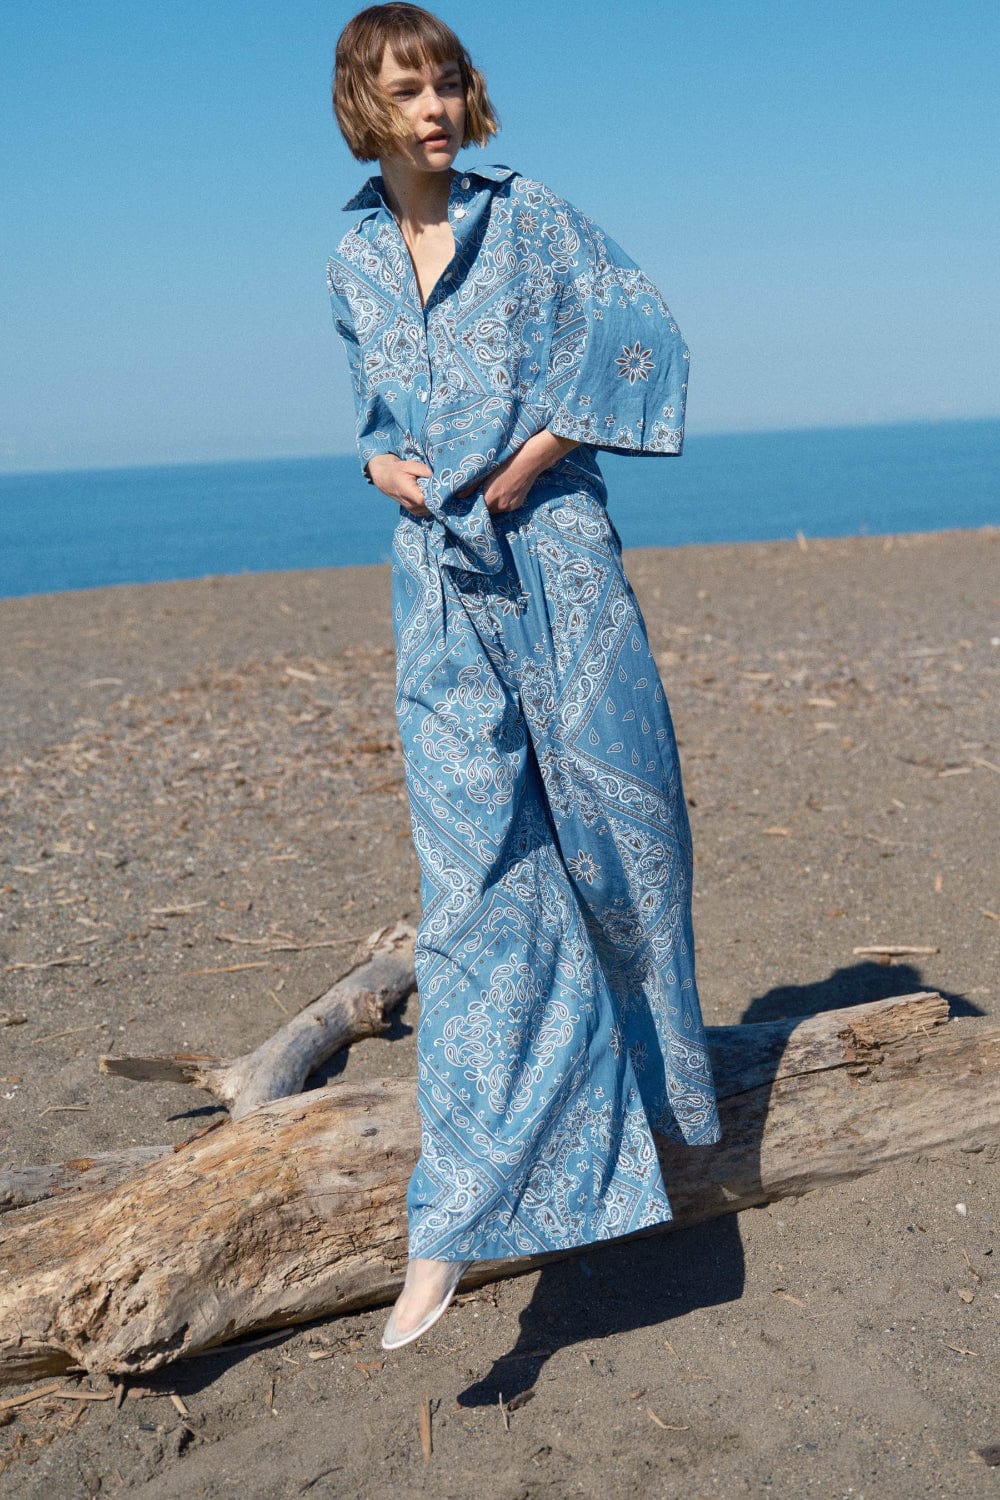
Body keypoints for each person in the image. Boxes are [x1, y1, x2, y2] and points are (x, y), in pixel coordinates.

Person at [326, 2, 722, 1351]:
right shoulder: (352, 257)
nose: (434, 106)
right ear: (365, 107)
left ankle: (658, 1131)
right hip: (438, 591)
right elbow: (377, 415)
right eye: (406, 88)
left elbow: (645, 337)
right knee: (473, 887)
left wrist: (536, 459)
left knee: (623, 848)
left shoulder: (532, 217)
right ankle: (449, 1222)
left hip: (559, 565)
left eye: (444, 80)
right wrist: (378, 465)